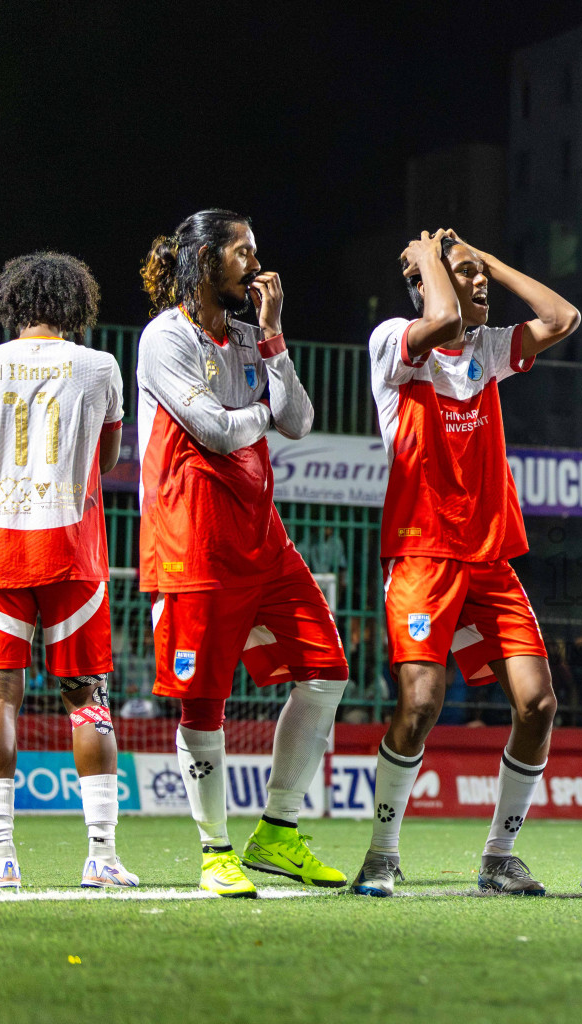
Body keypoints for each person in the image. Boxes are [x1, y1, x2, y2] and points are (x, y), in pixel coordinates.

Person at [355, 228, 579, 897]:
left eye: (482, 276)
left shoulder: (488, 349)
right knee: (420, 704)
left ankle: (499, 857)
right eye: (466, 274)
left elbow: (562, 318)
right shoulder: (397, 341)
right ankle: (382, 852)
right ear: (424, 283)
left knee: (538, 703)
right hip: (422, 553)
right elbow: (442, 317)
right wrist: (429, 264)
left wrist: (489, 262)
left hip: (489, 558)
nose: (478, 285)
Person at [138, 210, 350, 897]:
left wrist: (275, 341)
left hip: (264, 542)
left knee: (327, 671)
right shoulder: (163, 338)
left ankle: (277, 833)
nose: (255, 266)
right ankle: (214, 850)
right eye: (243, 253)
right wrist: (260, 410)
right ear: (203, 260)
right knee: (204, 701)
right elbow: (216, 432)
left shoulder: (252, 335)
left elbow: (301, 421)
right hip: (193, 545)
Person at [0, 252, 136, 890]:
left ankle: (1, 859)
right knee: (88, 700)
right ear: (77, 306)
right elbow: (107, 459)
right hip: (73, 554)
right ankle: (101, 857)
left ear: (12, 305)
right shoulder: (99, 366)